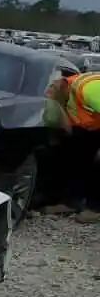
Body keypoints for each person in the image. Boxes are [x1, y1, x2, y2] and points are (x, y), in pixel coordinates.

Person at [43, 71, 100, 222]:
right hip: (91, 128)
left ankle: (95, 209)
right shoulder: (67, 92)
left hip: (94, 127)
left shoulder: (91, 90)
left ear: (62, 86)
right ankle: (70, 202)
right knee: (76, 159)